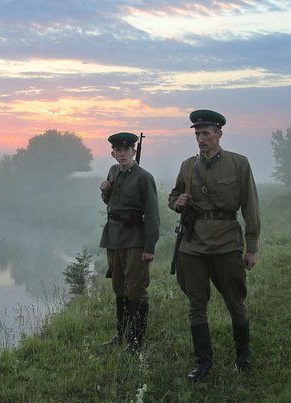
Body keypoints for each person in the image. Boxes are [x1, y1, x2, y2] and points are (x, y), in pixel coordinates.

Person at [168, 109, 261, 381]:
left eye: (206, 133)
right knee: (196, 303)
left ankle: (243, 357)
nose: (201, 138)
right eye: (197, 134)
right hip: (192, 245)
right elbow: (174, 194)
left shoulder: (238, 164)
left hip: (226, 243)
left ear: (219, 134)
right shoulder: (188, 165)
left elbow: (251, 206)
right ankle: (203, 363)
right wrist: (177, 203)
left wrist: (251, 247)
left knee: (235, 301)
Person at [99, 132, 160, 352]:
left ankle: (137, 340)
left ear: (134, 152)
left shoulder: (144, 177)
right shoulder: (114, 171)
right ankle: (121, 334)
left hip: (134, 239)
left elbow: (152, 214)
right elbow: (111, 202)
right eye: (118, 151)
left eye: (126, 150)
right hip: (114, 237)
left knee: (136, 290)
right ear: (113, 153)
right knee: (119, 288)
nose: (122, 154)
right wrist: (105, 192)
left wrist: (149, 247)